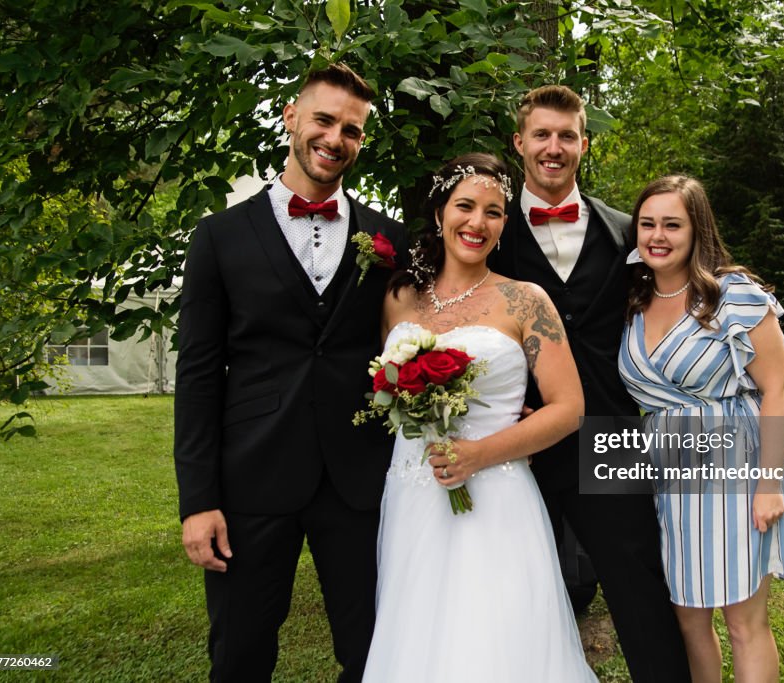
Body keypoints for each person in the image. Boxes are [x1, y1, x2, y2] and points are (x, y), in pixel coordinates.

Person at [173, 62, 406, 682]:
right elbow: (197, 374)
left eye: (351, 130)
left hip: (359, 481)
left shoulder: (390, 238)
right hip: (251, 479)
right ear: (292, 119)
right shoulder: (219, 237)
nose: (335, 138)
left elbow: (427, 329)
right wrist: (197, 502)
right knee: (241, 652)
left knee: (372, 651)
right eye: (324, 120)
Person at [361, 153, 597, 682]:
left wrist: (478, 454)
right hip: (413, 492)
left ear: (504, 225)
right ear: (441, 213)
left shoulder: (525, 301)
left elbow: (569, 408)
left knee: (495, 637)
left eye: (493, 212)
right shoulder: (400, 298)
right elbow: (389, 388)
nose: (477, 222)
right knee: (418, 633)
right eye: (465, 206)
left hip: (497, 495)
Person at [488, 85, 691, 682]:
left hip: (611, 433)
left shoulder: (631, 232)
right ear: (519, 142)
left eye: (567, 136)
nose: (555, 148)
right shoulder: (485, 232)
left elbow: (679, 298)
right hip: (515, 438)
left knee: (636, 584)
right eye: (542, 135)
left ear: (584, 143)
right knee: (507, 584)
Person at [618, 175, 784, 681]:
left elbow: (778, 388)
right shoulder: (631, 299)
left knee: (744, 622)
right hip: (668, 478)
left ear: (697, 229)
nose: (658, 235)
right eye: (648, 223)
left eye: (672, 225)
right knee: (688, 620)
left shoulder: (733, 296)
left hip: (736, 472)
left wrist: (769, 485)